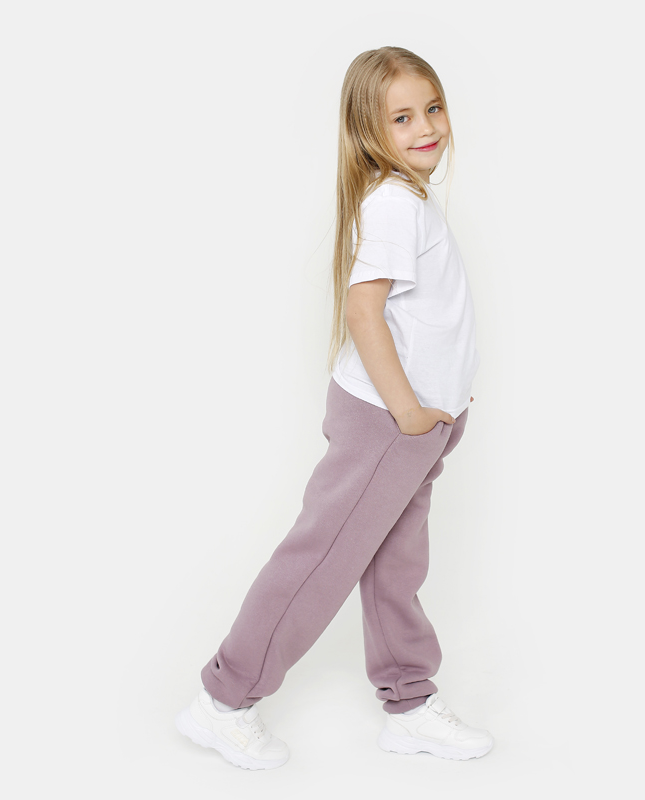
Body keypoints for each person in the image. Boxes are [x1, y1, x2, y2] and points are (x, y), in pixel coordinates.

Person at [175, 45, 493, 770]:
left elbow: (427, 317)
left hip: (419, 426)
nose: (426, 127)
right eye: (402, 117)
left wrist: (443, 395)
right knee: (319, 562)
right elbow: (362, 312)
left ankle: (409, 702)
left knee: (394, 566)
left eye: (433, 108)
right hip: (388, 424)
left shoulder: (410, 198)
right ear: (367, 130)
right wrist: (409, 412)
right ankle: (223, 702)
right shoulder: (393, 205)